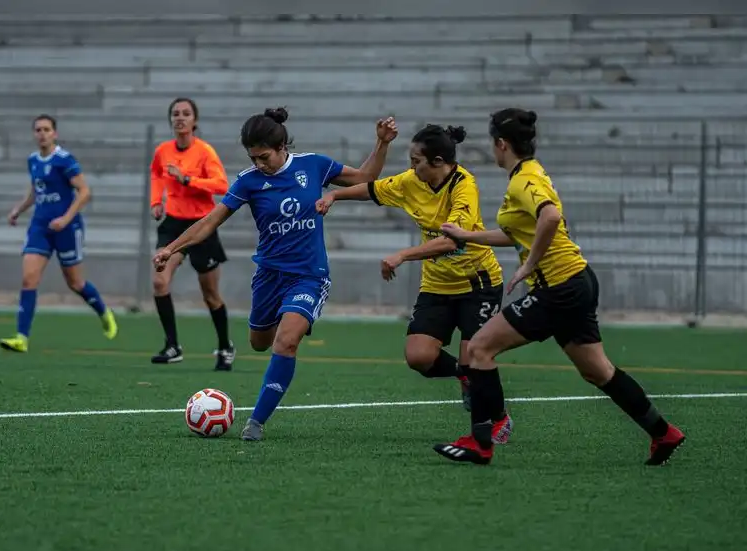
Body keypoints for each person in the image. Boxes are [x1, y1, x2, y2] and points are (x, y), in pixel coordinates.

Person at [434, 108, 686, 466]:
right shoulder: (528, 173)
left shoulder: (524, 180)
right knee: (597, 371)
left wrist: (530, 264)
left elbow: (550, 217)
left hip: (559, 287)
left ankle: (481, 442)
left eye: (493, 143)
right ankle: (663, 433)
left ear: (501, 144)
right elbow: (515, 232)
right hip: (576, 281)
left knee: (478, 349)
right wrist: (466, 236)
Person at [153, 107, 398, 441]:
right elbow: (211, 221)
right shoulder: (248, 181)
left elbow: (365, 178)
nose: (259, 164)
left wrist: (381, 144)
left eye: (264, 157)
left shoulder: (313, 164)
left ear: (282, 147)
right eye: (253, 158)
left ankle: (256, 421)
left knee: (286, 341)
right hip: (269, 276)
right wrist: (172, 248)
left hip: (309, 275)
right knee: (259, 342)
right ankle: (286, 324)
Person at [315, 124, 513, 444]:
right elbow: (373, 190)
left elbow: (453, 242)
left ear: (437, 161)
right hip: (437, 285)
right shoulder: (412, 181)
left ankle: (498, 417)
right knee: (418, 357)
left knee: (475, 356)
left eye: (415, 161)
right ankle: (464, 376)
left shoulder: (464, 186)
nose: (411, 168)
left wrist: (403, 255)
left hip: (477, 283)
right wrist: (335, 194)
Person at [0, 114, 117, 353]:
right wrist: (18, 210)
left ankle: (103, 312)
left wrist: (65, 218)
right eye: (38, 130)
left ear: (55, 133)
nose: (42, 134)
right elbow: (36, 191)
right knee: (29, 278)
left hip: (67, 228)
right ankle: (21, 337)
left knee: (75, 282)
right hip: (41, 226)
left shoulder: (64, 160)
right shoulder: (33, 160)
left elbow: (84, 192)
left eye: (46, 129)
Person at [149, 97, 235, 370]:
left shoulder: (204, 152)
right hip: (173, 224)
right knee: (160, 282)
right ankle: (172, 345)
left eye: (186, 113)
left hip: (202, 225)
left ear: (194, 121)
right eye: (175, 113)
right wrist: (156, 201)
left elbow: (222, 185)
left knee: (209, 294)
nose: (180, 117)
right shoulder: (163, 150)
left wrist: (187, 179)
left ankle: (225, 346)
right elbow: (156, 174)